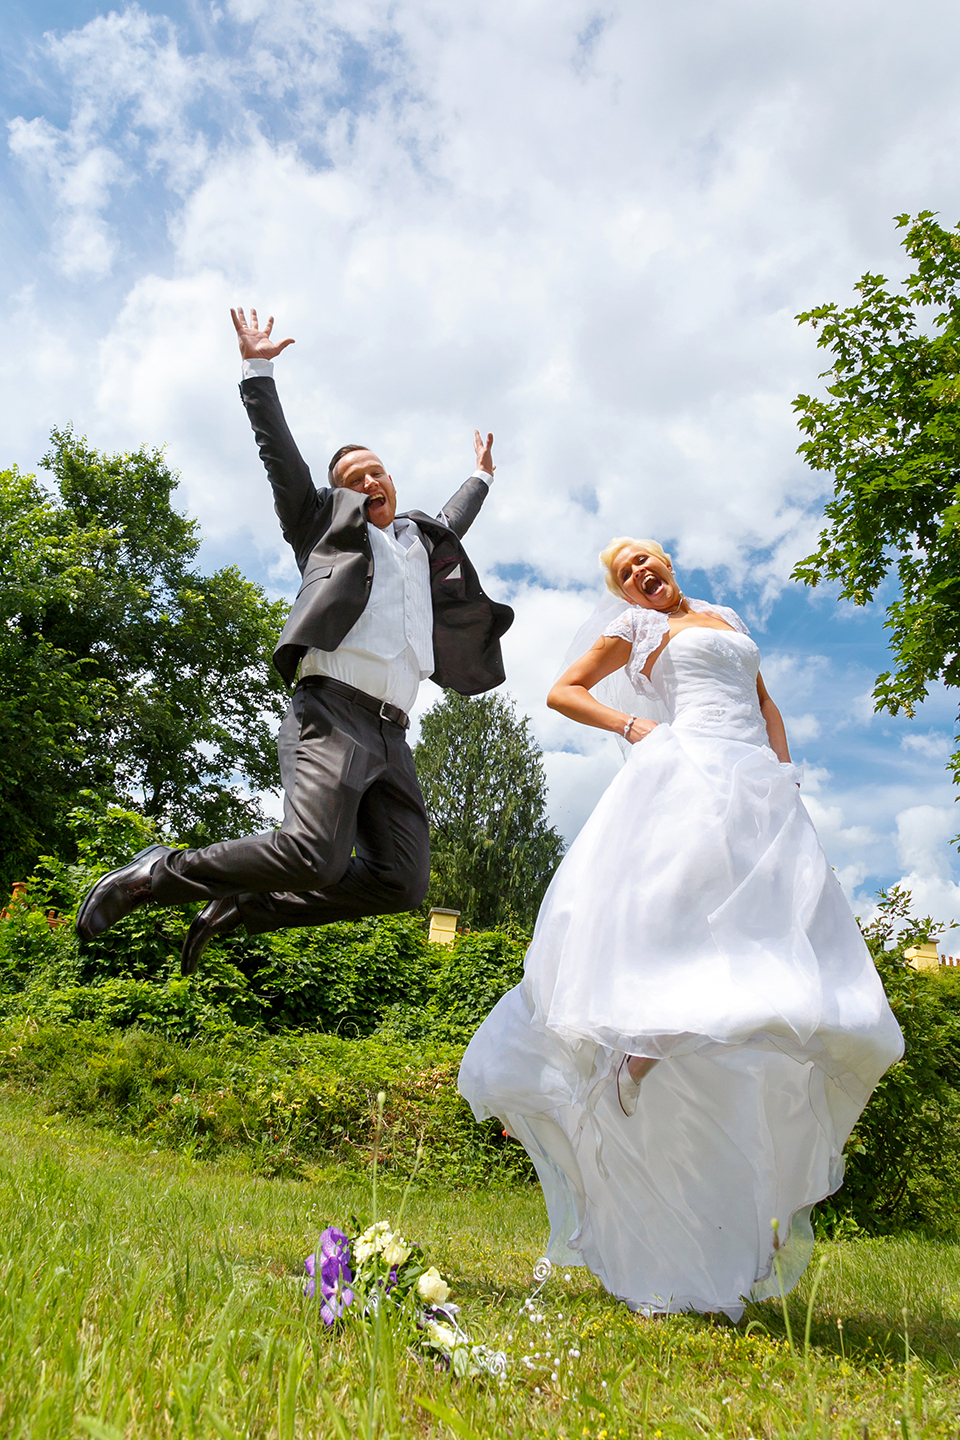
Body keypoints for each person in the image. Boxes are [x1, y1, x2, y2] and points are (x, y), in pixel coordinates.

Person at [459, 536, 903, 1320]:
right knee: (678, 910)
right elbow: (564, 692)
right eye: (625, 574)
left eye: (645, 562)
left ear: (667, 564)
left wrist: (782, 771)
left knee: (763, 942)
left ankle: (730, 1178)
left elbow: (764, 700)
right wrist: (635, 730)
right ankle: (637, 1048)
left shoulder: (724, 615)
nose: (640, 574)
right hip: (687, 770)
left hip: (756, 785)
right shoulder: (635, 631)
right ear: (625, 594)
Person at [76, 308, 513, 973]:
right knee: (314, 854)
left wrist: (480, 477)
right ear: (339, 496)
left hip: (394, 734)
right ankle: (156, 875)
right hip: (332, 712)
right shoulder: (323, 530)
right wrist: (258, 371)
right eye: (355, 478)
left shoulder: (422, 543)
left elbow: (454, 517)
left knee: (401, 882)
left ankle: (245, 907)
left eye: (378, 472)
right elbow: (279, 455)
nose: (371, 482)